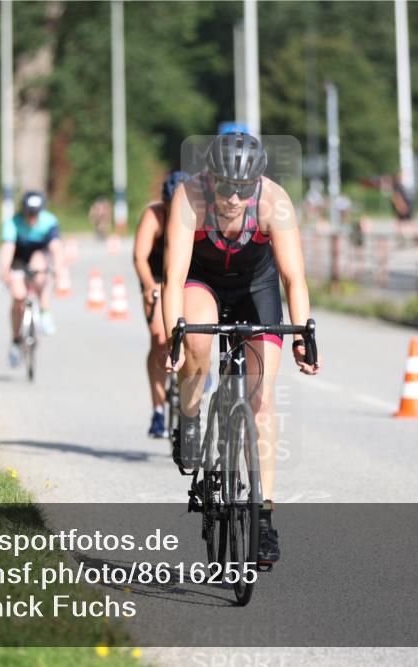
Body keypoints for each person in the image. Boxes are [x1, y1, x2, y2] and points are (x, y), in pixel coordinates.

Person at [162, 133, 321, 566]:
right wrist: (173, 335)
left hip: (257, 286)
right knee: (196, 340)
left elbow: (294, 280)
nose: (233, 197)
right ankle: (190, 416)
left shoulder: (275, 202)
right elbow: (173, 278)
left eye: (243, 188)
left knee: (261, 398)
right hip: (202, 280)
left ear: (257, 182)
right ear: (209, 178)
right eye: (224, 186)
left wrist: (304, 336)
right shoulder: (189, 197)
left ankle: (263, 516)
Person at [133, 171, 187, 439]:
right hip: (156, 279)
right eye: (169, 205)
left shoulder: (199, 216)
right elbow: (140, 257)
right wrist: (148, 286)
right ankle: (158, 410)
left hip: (186, 280)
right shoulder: (154, 215)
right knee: (159, 338)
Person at [0, 192, 65, 366]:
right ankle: (15, 340)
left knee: (40, 270)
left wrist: (58, 269)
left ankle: (44, 310)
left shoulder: (49, 222)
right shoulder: (12, 223)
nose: (32, 218)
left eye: (36, 214)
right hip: (18, 258)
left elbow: (56, 248)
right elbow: (7, 248)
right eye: (29, 213)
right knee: (18, 296)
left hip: (38, 255)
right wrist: (5, 270)